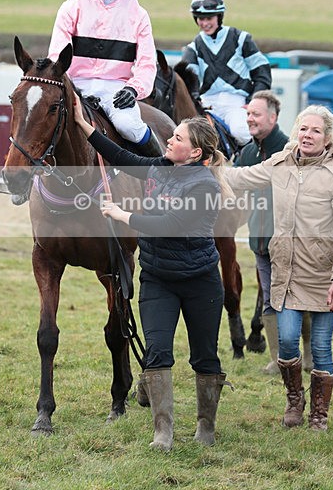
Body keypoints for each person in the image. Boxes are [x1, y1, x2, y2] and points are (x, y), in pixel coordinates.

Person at [74, 102, 232, 451]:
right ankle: (163, 431)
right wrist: (84, 126)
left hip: (200, 282)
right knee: (157, 352)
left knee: (204, 356)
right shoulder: (162, 168)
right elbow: (122, 157)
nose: (168, 141)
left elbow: (172, 225)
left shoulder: (205, 187)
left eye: (176, 138)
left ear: (194, 153)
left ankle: (206, 425)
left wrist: (121, 214)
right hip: (158, 278)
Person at [227, 105, 333, 431]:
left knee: (322, 347)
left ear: (327, 139)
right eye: (302, 129)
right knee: (286, 341)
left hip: (323, 275)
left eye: (315, 131)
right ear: (295, 132)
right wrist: (207, 165)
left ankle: (319, 414)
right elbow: (241, 177)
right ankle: (295, 398)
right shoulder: (279, 165)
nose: (307, 135)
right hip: (285, 274)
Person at [48, 0, 160, 155]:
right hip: (74, 86)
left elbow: (147, 65)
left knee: (130, 127)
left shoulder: (138, 14)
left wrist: (133, 89)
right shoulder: (73, 5)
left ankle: (162, 173)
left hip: (115, 90)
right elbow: (56, 56)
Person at [235, 90, 312, 374]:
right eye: (248, 115)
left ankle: (309, 356)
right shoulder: (247, 152)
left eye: (255, 114)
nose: (250, 119)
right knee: (269, 298)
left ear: (273, 117)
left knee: (299, 296)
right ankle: (280, 360)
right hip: (260, 240)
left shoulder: (292, 151)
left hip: (290, 241)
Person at [181, 0, 271, 146]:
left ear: (219, 16)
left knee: (242, 132)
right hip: (207, 105)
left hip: (236, 103)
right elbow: (189, 81)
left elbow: (262, 73)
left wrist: (254, 101)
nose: (205, 23)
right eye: (200, 19)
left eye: (209, 18)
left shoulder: (241, 39)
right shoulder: (193, 48)